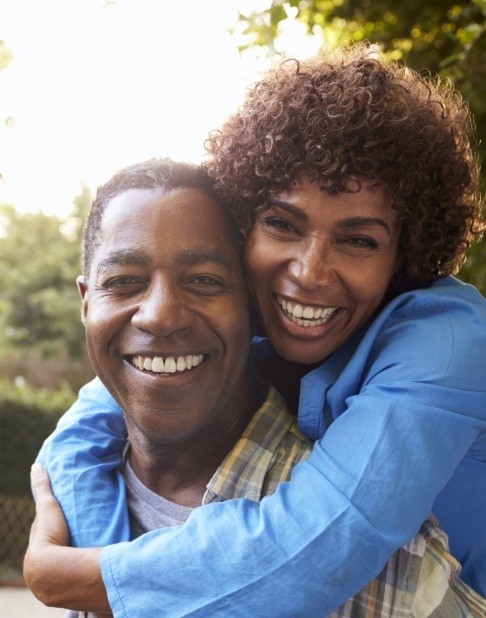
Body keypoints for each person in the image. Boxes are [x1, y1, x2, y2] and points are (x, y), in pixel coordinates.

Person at [28, 43, 486, 616]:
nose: (309, 272)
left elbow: (314, 551)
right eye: (281, 223)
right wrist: (94, 537)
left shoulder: (447, 344)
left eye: (359, 240)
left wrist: (67, 576)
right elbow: (97, 411)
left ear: (406, 256)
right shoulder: (255, 322)